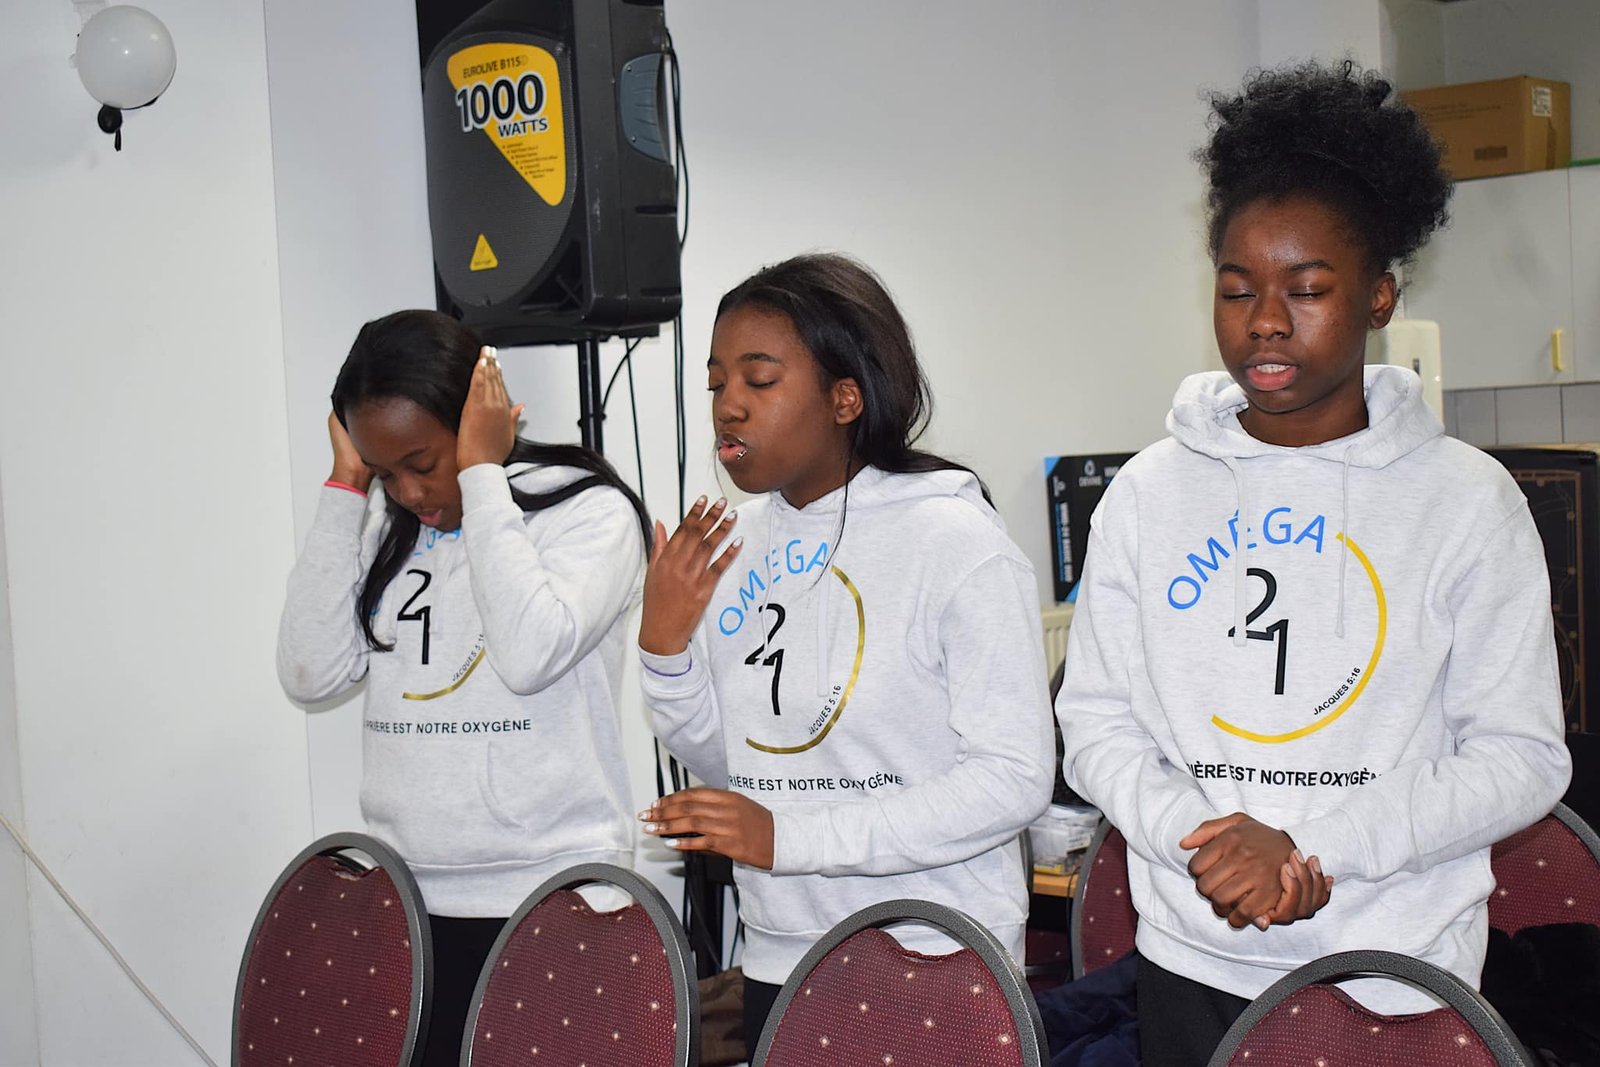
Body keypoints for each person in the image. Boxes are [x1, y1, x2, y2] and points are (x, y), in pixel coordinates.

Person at [1055, 60, 1571, 1066]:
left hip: (1398, 968)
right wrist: (1203, 839)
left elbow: (1522, 756)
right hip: (1192, 964)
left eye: (1308, 288)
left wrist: (1314, 849)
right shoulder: (1148, 492)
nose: (1265, 321)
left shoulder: (1465, 500)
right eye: (1238, 287)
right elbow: (1095, 724)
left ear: (1379, 294)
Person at [635, 253, 1055, 1050]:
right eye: (716, 383)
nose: (728, 407)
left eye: (759, 381)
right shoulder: (735, 549)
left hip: (932, 954)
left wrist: (791, 838)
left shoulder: (955, 541)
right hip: (782, 955)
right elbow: (743, 766)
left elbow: (1014, 777)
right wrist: (664, 650)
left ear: (844, 398)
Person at [276, 309, 650, 1066]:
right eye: (385, 471)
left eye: (423, 461)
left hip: (552, 904)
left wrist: (483, 480)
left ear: (475, 421)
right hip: (406, 909)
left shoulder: (590, 511)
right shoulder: (388, 528)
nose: (408, 491)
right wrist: (347, 489)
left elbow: (529, 652)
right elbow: (309, 672)